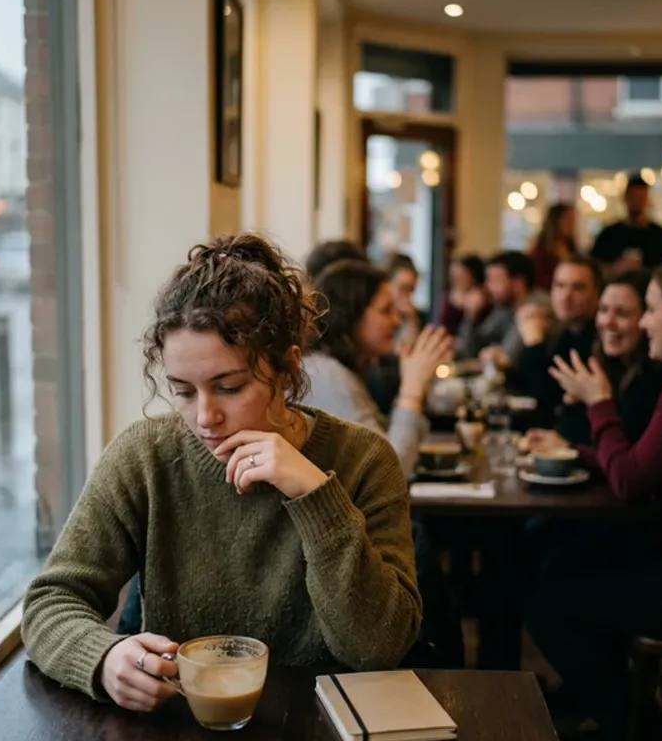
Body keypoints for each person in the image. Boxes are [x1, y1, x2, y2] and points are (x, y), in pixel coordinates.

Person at [22, 233, 422, 711]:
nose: (205, 417)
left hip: (320, 737)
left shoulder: (364, 460)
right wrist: (104, 657)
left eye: (229, 387)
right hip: (181, 736)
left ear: (287, 370)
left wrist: (316, 495)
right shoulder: (145, 456)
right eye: (184, 392)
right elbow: (50, 603)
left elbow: (377, 647)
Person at [526, 255, 662, 741]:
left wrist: (599, 402)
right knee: (558, 567)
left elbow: (630, 479)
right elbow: (647, 461)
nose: (646, 322)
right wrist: (578, 450)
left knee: (549, 604)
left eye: (650, 310)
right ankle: (617, 726)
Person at [303, 258, 452, 481]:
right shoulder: (329, 376)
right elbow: (390, 473)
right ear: (351, 316)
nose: (396, 320)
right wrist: (412, 390)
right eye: (385, 310)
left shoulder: (341, 369)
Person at [527, 270, 662, 453]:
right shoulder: (602, 362)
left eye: (622, 313)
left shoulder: (658, 376)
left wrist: (596, 402)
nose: (608, 322)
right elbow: (569, 431)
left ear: (645, 319)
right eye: (603, 310)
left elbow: (628, 457)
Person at [512, 257, 602, 444]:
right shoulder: (564, 332)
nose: (566, 296)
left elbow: (546, 396)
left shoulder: (600, 341)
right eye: (560, 286)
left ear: (597, 295)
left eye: (578, 288)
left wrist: (534, 343)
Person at [464, 250, 549, 368]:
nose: (487, 287)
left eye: (495, 280)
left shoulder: (534, 307)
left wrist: (494, 356)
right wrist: (471, 315)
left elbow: (506, 359)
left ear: (519, 283)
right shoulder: (504, 306)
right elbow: (470, 350)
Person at [591, 173, 662, 277]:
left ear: (647, 199)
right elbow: (595, 267)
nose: (637, 202)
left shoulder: (659, 235)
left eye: (641, 197)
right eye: (634, 197)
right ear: (625, 198)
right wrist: (615, 268)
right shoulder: (609, 234)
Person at [530, 203, 579, 292]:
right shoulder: (541, 249)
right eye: (568, 220)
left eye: (573, 220)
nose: (572, 224)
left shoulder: (571, 247)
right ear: (556, 221)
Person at [439, 254, 487, 337]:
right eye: (453, 275)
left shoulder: (482, 297)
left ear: (472, 276)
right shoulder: (450, 296)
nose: (456, 279)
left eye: (461, 274)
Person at [388, 253, 427, 350]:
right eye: (403, 288)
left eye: (411, 290)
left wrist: (410, 320)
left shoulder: (419, 317)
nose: (407, 296)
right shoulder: (379, 316)